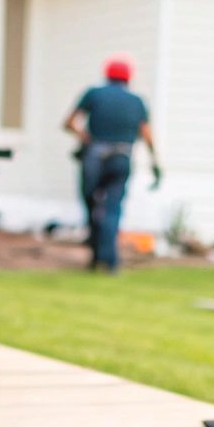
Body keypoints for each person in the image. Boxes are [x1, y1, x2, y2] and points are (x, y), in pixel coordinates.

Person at [63, 57, 161, 274]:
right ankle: (111, 261)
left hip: (94, 158)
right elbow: (146, 134)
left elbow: (69, 122)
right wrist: (155, 164)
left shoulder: (94, 94)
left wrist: (85, 138)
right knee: (113, 209)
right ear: (129, 78)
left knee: (93, 206)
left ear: (107, 75)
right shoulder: (137, 101)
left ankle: (97, 256)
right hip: (122, 158)